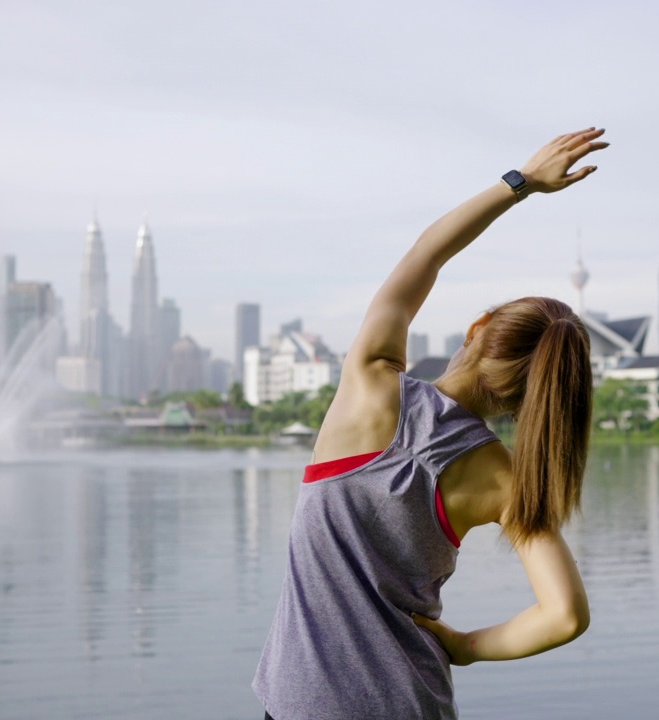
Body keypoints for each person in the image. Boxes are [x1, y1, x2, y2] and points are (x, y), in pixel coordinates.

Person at [253, 128, 609, 720]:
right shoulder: (505, 478)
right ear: (530, 401)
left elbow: (425, 255)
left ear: (477, 329)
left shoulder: (370, 383)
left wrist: (519, 183)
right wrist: (466, 648)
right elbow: (565, 616)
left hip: (304, 704)